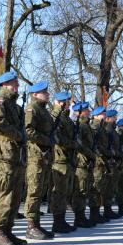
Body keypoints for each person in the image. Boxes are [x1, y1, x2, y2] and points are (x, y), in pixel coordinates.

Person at [0, 71, 28, 245]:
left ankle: (8, 229)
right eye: (14, 84)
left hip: (17, 154)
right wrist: (18, 135)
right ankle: (0, 232)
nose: (17, 87)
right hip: (6, 153)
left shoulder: (16, 106)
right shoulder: (0, 102)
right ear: (4, 85)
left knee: (15, 195)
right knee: (5, 193)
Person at [24, 81, 55, 240]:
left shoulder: (44, 111)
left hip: (44, 156)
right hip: (36, 155)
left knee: (40, 190)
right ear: (35, 94)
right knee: (34, 191)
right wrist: (46, 140)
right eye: (44, 92)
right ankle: (31, 226)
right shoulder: (32, 109)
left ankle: (36, 223)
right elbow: (28, 130)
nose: (48, 94)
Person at [50, 91, 78, 233]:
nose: (70, 105)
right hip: (59, 159)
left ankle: (62, 220)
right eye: (67, 102)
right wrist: (72, 144)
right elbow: (57, 137)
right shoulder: (58, 118)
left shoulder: (66, 119)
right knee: (59, 192)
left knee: (65, 192)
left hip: (67, 159)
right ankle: (57, 222)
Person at [71, 102, 95, 228]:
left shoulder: (86, 126)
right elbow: (80, 145)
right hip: (81, 162)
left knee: (84, 190)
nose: (89, 112)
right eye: (86, 110)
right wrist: (91, 155)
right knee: (80, 190)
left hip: (87, 161)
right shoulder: (79, 126)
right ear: (80, 112)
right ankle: (78, 217)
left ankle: (82, 216)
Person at [89, 106, 110, 223]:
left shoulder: (101, 127)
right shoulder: (95, 126)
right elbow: (95, 145)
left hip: (102, 160)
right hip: (97, 161)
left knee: (100, 187)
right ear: (96, 115)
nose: (105, 115)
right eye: (103, 114)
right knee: (95, 187)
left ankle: (97, 212)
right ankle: (94, 213)